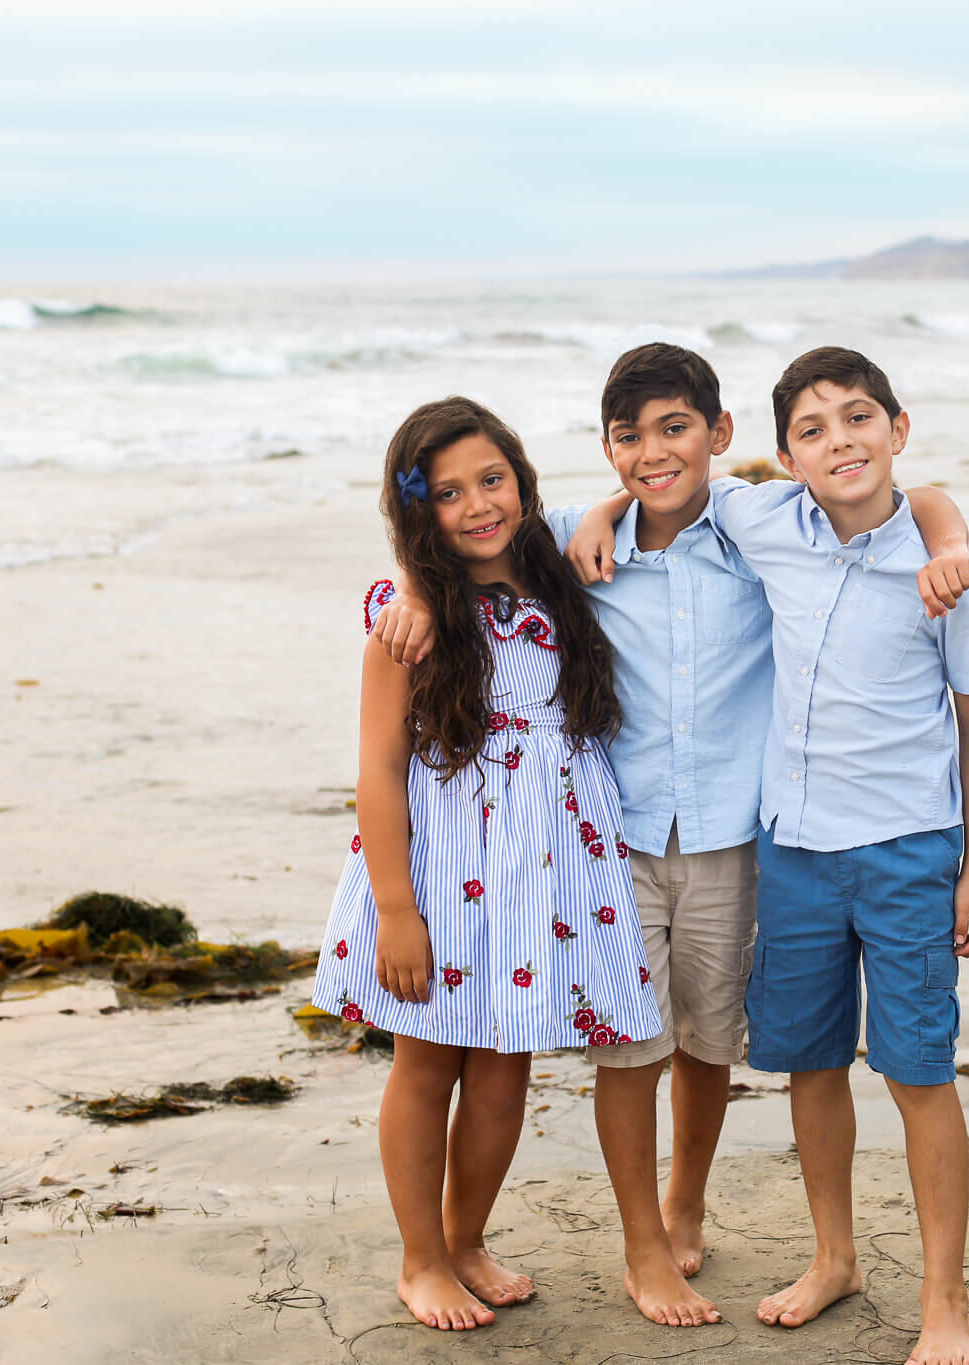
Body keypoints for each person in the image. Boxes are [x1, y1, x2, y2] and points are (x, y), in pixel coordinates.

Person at [371, 343, 969, 1331]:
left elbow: (922, 499)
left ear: (719, 436)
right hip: (613, 842)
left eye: (674, 429)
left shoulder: (761, 528)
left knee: (708, 1040)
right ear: (606, 449)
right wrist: (406, 586)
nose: (653, 453)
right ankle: (642, 1247)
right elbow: (458, 534)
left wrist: (950, 540)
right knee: (628, 1049)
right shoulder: (571, 535)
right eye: (628, 436)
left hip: (738, 834)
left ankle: (685, 1199)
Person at [572, 345, 969, 1365]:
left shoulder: (942, 578)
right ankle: (833, 1258)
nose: (838, 440)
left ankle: (944, 1296)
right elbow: (658, 478)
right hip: (794, 851)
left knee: (916, 1070)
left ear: (897, 427)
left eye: (858, 418)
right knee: (808, 1066)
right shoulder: (761, 520)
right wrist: (595, 515)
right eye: (811, 430)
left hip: (907, 852)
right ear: (779, 455)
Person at [311, 395, 662, 1333]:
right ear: (416, 510)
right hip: (443, 870)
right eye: (448, 493)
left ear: (521, 478)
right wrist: (395, 907)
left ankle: (465, 1238)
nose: (477, 506)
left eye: (492, 480)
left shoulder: (555, 573)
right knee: (428, 1064)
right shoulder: (407, 619)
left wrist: (597, 513)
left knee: (506, 1071)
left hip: (540, 872)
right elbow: (380, 769)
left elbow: (634, 497)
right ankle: (420, 1259)